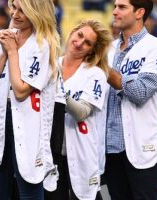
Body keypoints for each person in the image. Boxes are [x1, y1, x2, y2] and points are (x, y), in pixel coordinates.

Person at [0, 0, 60, 199]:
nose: (14, 14)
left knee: (29, 189)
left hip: (29, 123)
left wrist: (13, 52)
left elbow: (21, 91)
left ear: (36, 12)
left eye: (22, 10)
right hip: (0, 119)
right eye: (13, 7)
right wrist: (4, 55)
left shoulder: (43, 44)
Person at [105, 0, 157, 199]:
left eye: (122, 7)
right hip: (109, 146)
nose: (115, 11)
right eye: (115, 6)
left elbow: (140, 92)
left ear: (139, 12)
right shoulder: (107, 49)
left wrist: (106, 71)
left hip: (140, 146)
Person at [47, 19, 113, 200]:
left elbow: (82, 112)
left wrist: (59, 89)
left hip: (81, 152)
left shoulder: (95, 74)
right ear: (72, 32)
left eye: (88, 43)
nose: (80, 43)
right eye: (80, 35)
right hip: (51, 151)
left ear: (93, 49)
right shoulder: (51, 64)